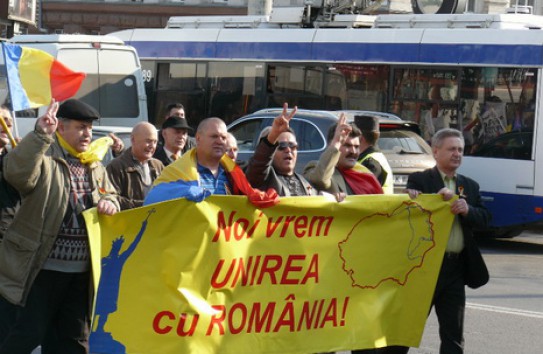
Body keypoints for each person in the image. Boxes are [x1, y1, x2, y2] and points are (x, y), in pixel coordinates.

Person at [0, 99, 120, 354]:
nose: (87, 133)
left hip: (80, 274)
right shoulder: (43, 156)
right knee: (25, 336)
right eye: (80, 127)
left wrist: (110, 202)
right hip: (41, 269)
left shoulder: (94, 164)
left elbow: (109, 193)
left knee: (73, 342)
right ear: (61, 129)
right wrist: (39, 136)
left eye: (89, 127)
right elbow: (16, 174)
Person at [405, 128, 491, 354]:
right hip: (425, 269)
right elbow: (408, 217)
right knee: (404, 331)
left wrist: (467, 209)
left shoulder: (469, 186)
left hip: (455, 269)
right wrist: (416, 198)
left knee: (453, 337)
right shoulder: (420, 180)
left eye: (461, 149)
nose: (457, 154)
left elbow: (485, 219)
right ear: (435, 152)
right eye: (451, 149)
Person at [145, 117, 278, 208]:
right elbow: (150, 201)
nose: (220, 141)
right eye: (214, 136)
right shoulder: (178, 171)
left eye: (223, 137)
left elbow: (258, 168)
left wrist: (273, 137)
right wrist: (180, 192)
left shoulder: (233, 175)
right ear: (198, 138)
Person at [245, 103, 317, 197]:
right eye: (281, 146)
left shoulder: (307, 184)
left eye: (292, 146)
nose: (288, 149)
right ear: (272, 151)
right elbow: (259, 164)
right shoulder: (263, 178)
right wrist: (274, 134)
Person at [304, 113, 383, 197]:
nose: (353, 151)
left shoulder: (364, 174)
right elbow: (321, 179)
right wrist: (336, 144)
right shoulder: (315, 168)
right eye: (347, 145)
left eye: (356, 147)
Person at [107, 122, 164, 210]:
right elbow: (111, 199)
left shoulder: (158, 165)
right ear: (133, 140)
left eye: (155, 142)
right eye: (148, 141)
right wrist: (144, 205)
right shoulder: (116, 167)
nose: (152, 146)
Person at [355, 115, 394, 194]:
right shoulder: (375, 157)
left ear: (360, 138)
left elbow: (362, 194)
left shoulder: (371, 163)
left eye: (353, 135)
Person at [0, 108, 20, 242]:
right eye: (3, 119)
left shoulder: (13, 159)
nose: (9, 125)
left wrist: (26, 159)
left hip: (9, 242)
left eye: (10, 121)